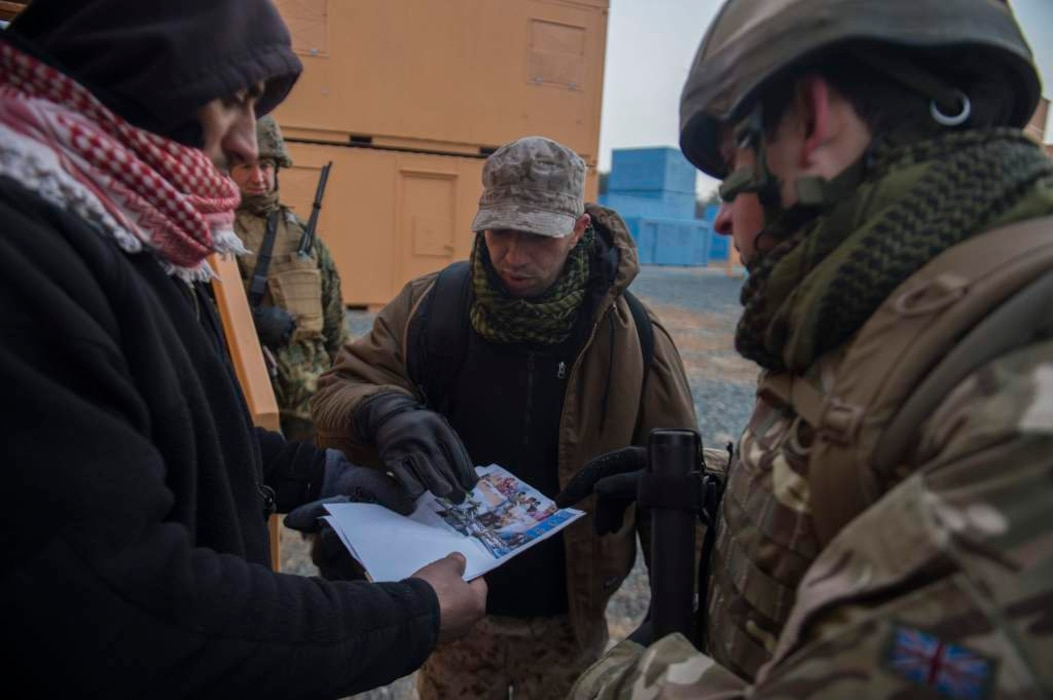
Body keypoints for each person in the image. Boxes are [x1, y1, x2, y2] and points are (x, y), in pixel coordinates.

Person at [565, 0, 1053, 697]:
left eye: (734, 164)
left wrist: (626, 679)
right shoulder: (890, 297)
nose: (725, 212)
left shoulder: (1019, 388)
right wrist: (712, 483)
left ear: (813, 123)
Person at [0, 1, 485, 697]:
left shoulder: (128, 233)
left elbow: (183, 428)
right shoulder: (27, 256)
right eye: (232, 101)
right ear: (143, 72)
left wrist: (326, 477)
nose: (248, 147)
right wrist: (412, 615)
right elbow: (129, 609)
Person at [310, 135, 697, 700]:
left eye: (537, 235)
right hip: (454, 609)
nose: (514, 255)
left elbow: (678, 483)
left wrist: (674, 617)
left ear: (578, 230)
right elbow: (337, 392)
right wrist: (383, 411)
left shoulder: (633, 337)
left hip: (570, 625)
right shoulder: (430, 307)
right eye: (498, 231)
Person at [232, 114, 348, 443]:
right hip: (251, 390)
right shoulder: (217, 235)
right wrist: (250, 321)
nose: (258, 177)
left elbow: (335, 319)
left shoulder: (302, 237)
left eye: (266, 165)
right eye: (245, 166)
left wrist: (347, 383)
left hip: (311, 397)